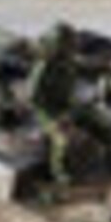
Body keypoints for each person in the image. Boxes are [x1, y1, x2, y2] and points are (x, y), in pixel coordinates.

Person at [26, 22, 80, 186]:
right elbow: (33, 98)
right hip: (47, 112)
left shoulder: (67, 61)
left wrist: (105, 65)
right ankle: (58, 173)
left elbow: (81, 65)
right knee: (62, 139)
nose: (71, 49)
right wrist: (54, 119)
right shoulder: (43, 69)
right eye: (67, 45)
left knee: (98, 119)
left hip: (67, 105)